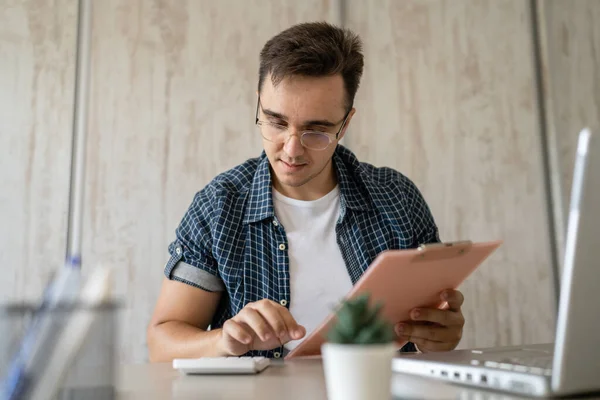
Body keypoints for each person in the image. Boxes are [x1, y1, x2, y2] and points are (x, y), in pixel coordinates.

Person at [147, 22, 465, 362]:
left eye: (317, 130)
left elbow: (435, 325)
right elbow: (162, 343)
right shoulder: (219, 207)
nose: (292, 149)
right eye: (276, 122)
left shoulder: (397, 198)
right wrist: (224, 340)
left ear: (345, 124)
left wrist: (439, 335)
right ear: (259, 105)